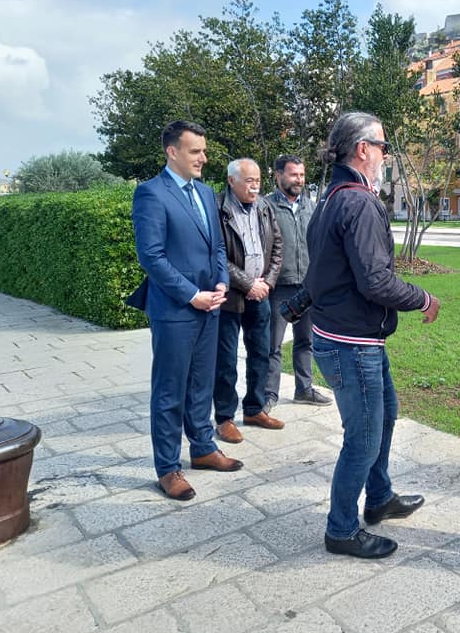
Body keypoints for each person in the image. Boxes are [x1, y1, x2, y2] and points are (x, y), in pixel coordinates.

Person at [306, 112, 441, 559]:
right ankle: (341, 529)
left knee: (386, 415)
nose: (386, 154)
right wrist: (423, 298)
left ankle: (379, 497)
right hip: (352, 342)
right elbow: (376, 283)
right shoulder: (359, 202)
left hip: (352, 335)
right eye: (382, 146)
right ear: (362, 149)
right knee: (363, 436)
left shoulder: (330, 198)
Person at [130, 120, 243, 502]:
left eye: (204, 151)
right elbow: (152, 257)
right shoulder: (151, 194)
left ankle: (203, 448)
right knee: (169, 391)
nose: (203, 158)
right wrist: (192, 294)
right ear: (172, 152)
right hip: (176, 310)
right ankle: (167, 467)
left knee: (201, 385)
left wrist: (222, 282)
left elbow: (216, 247)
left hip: (211, 306)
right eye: (195, 151)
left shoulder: (207, 193)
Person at [212, 158, 285, 441]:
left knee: (261, 354)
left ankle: (255, 408)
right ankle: (225, 418)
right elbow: (217, 255)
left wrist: (267, 282)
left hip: (261, 295)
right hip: (230, 298)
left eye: (257, 180)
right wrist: (247, 284)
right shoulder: (217, 209)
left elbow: (277, 245)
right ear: (232, 181)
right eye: (249, 181)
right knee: (226, 361)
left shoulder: (265, 207)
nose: (255, 186)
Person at [264, 155, 332, 413]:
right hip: (279, 287)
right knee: (273, 345)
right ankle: (268, 395)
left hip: (308, 287)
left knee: (306, 341)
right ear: (278, 175)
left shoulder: (312, 207)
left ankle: (304, 389)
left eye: (302, 175)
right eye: (294, 175)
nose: (299, 180)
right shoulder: (266, 206)